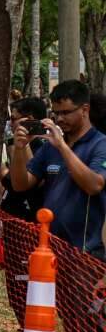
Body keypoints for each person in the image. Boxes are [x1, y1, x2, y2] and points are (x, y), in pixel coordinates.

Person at [11, 80, 106, 260]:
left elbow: (94, 185)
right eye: (56, 113)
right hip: (50, 250)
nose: (60, 119)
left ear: (85, 110)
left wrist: (62, 146)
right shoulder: (50, 147)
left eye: (66, 112)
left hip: (86, 254)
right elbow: (20, 184)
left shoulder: (100, 144)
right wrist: (20, 148)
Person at [0, 97, 47, 221]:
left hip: (28, 224)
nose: (10, 124)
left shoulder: (43, 149)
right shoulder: (17, 145)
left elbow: (19, 185)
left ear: (28, 120)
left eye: (13, 119)